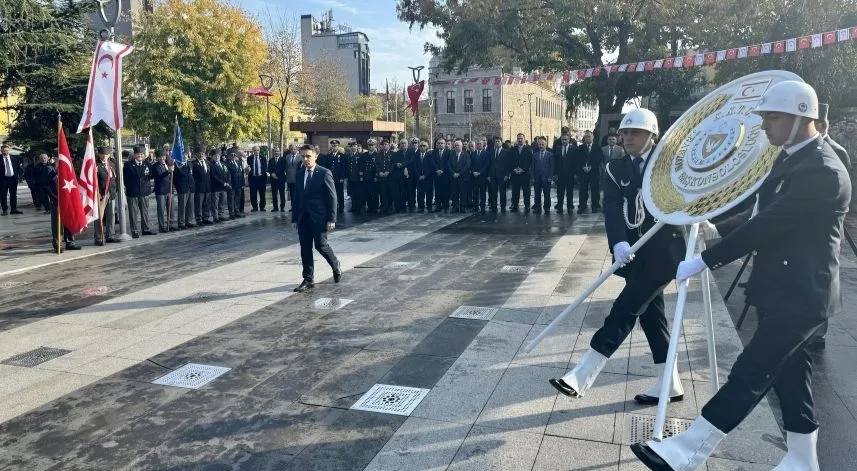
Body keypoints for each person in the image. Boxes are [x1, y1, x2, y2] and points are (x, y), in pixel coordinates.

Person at [631, 81, 850, 471]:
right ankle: (803, 459)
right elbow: (756, 211)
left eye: (773, 116)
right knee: (791, 376)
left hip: (801, 295)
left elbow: (768, 223)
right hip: (781, 289)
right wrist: (717, 226)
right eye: (764, 116)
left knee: (751, 371)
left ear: (803, 116)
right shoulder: (791, 158)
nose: (764, 124)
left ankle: (686, 452)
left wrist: (706, 259)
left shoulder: (824, 170)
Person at [549, 108, 687, 408]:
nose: (627, 138)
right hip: (635, 251)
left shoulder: (668, 164)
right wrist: (619, 242)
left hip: (664, 253)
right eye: (624, 133)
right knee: (652, 316)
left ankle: (584, 373)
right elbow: (611, 207)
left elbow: (688, 195)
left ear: (652, 135)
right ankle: (670, 382)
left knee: (625, 308)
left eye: (634, 133)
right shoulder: (615, 168)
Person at [291, 145, 342, 293]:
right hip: (303, 218)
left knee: (321, 245)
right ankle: (308, 279)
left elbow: (332, 197)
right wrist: (295, 218)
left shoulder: (324, 173)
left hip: (319, 217)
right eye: (303, 156)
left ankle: (335, 263)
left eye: (308, 156)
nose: (306, 159)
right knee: (305, 248)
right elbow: (297, 197)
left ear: (315, 156)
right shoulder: (300, 174)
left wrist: (332, 218)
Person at [33, 153, 81, 251]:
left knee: (68, 222)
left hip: (67, 201)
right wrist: (55, 197)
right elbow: (46, 185)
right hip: (56, 201)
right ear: (54, 159)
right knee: (57, 224)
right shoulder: (49, 170)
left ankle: (70, 242)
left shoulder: (69, 170)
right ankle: (57, 244)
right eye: (59, 159)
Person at [123, 145, 156, 237]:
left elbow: (151, 176)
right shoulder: (128, 165)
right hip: (132, 192)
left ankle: (145, 229)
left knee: (144, 212)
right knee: (133, 213)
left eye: (141, 154)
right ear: (134, 155)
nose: (140, 156)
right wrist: (130, 187)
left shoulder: (148, 164)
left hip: (144, 192)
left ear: (144, 155)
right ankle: (134, 231)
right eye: (138, 154)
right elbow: (125, 179)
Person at [94, 146, 120, 244]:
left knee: (111, 215)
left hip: (111, 192)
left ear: (109, 155)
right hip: (101, 194)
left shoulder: (112, 164)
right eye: (102, 154)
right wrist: (98, 192)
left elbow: (115, 179)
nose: (104, 156)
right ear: (99, 154)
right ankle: (98, 237)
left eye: (106, 155)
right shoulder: (96, 165)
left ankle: (110, 235)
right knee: (99, 216)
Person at [575, 130, 605, 213]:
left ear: (593, 137)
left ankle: (594, 205)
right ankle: (582, 205)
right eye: (586, 137)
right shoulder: (581, 147)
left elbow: (598, 159)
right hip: (583, 172)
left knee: (595, 189)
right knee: (583, 189)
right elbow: (578, 159)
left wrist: (591, 167)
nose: (587, 138)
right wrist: (582, 167)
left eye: (589, 137)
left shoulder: (597, 147)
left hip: (593, 172)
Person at [508, 133, 533, 213]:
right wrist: (514, 169)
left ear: (524, 139)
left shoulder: (528, 149)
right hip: (515, 174)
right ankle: (515, 205)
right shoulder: (513, 149)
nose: (519, 140)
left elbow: (530, 161)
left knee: (526, 191)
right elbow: (510, 161)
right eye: (518, 138)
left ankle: (527, 206)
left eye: (521, 138)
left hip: (525, 174)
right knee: (515, 191)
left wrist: (523, 169)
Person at [531, 137, 554, 213]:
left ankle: (547, 207)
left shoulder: (550, 155)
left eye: (542, 144)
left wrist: (550, 177)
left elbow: (552, 167)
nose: (541, 146)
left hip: (546, 178)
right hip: (537, 178)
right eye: (539, 144)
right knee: (537, 194)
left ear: (546, 145)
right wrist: (533, 177)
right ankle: (537, 206)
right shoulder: (535, 155)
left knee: (547, 194)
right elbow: (533, 167)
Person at [1, 143, 23, 215]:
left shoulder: (15, 158)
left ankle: (14, 209)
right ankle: (5, 210)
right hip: (3, 180)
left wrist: (19, 177)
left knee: (13, 194)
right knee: (3, 194)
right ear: (1, 151)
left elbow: (19, 168)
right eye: (3, 151)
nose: (5, 152)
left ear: (9, 150)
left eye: (6, 150)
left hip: (13, 179)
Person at [488, 136, 509, 213]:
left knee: (502, 192)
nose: (497, 143)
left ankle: (503, 207)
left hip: (502, 176)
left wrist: (507, 175)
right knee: (493, 192)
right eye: (495, 141)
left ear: (501, 142)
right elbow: (489, 164)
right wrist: (489, 175)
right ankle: (494, 207)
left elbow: (507, 165)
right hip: (493, 175)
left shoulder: (506, 152)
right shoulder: (491, 152)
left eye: (498, 141)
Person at [430, 138, 450, 212]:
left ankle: (446, 206)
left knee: (445, 191)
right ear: (437, 144)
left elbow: (448, 163)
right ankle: (438, 206)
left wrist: (442, 170)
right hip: (436, 174)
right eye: (439, 143)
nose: (440, 144)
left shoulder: (449, 152)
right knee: (437, 191)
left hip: (445, 175)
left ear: (445, 144)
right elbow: (432, 162)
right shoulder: (434, 152)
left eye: (442, 143)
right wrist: (437, 170)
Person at [247, 145, 267, 211]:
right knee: (253, 194)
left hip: (261, 178)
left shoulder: (263, 158)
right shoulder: (249, 158)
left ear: (259, 151)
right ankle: (255, 207)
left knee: (262, 193)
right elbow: (247, 168)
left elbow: (265, 168)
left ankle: (262, 207)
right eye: (255, 150)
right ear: (253, 151)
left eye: (257, 150)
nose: (256, 151)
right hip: (253, 178)